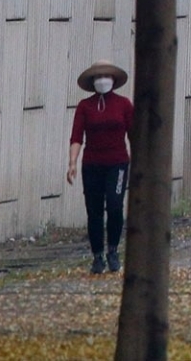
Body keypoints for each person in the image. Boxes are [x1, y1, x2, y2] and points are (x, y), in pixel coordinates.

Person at [66, 60, 133, 274]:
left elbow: (134, 134)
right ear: (92, 82)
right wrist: (72, 163)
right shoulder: (85, 106)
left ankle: (113, 250)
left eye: (106, 76)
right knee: (94, 212)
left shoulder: (123, 104)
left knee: (114, 206)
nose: (102, 80)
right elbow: (77, 136)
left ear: (113, 80)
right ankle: (97, 256)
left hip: (118, 164)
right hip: (92, 164)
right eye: (98, 77)